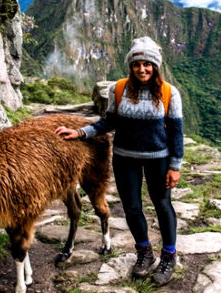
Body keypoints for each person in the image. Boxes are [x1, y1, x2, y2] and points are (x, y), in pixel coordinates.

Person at [54, 36, 184, 285]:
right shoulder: (119, 89)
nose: (142, 69)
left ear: (155, 66)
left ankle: (169, 256)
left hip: (159, 158)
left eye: (147, 64)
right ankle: (144, 253)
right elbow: (108, 122)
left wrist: (175, 166)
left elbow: (176, 132)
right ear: (131, 66)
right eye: (137, 64)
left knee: (162, 205)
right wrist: (81, 132)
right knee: (132, 208)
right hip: (125, 159)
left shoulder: (169, 92)